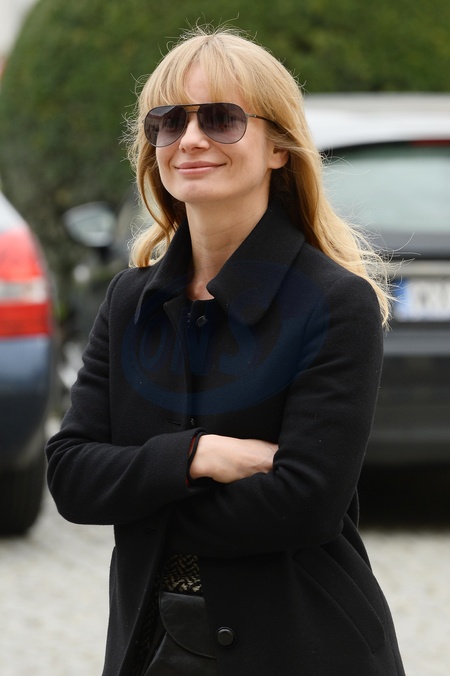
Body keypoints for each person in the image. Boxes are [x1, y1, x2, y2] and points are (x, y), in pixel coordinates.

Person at [46, 25, 405, 676]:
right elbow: (71, 477)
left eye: (220, 119)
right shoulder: (129, 300)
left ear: (278, 147)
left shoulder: (334, 302)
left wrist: (137, 494)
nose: (190, 139)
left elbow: (305, 505)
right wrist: (196, 456)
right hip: (149, 648)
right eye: (168, 121)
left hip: (302, 650)